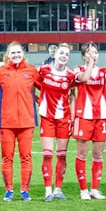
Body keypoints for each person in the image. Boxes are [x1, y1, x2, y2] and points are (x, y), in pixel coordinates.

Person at [0, 41, 41, 200]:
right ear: (8, 55)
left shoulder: (31, 71)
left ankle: (24, 190)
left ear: (23, 54)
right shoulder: (1, 71)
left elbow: (46, 88)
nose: (16, 55)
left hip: (26, 122)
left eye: (18, 53)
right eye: (13, 53)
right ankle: (8, 190)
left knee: (26, 157)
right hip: (7, 122)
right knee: (7, 157)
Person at [73, 42, 106, 200]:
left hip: (100, 116)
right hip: (84, 116)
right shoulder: (78, 70)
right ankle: (83, 189)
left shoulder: (102, 71)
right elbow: (84, 78)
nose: (94, 55)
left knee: (98, 153)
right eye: (90, 52)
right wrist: (91, 62)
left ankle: (94, 189)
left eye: (95, 52)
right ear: (84, 55)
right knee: (82, 153)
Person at [38, 43, 77, 201]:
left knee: (61, 155)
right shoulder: (44, 70)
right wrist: (38, 100)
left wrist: (73, 114)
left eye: (66, 54)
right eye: (61, 53)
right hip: (47, 117)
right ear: (54, 54)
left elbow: (73, 94)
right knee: (48, 154)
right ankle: (48, 190)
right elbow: (33, 83)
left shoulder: (70, 75)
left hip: (64, 118)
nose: (63, 56)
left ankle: (58, 189)